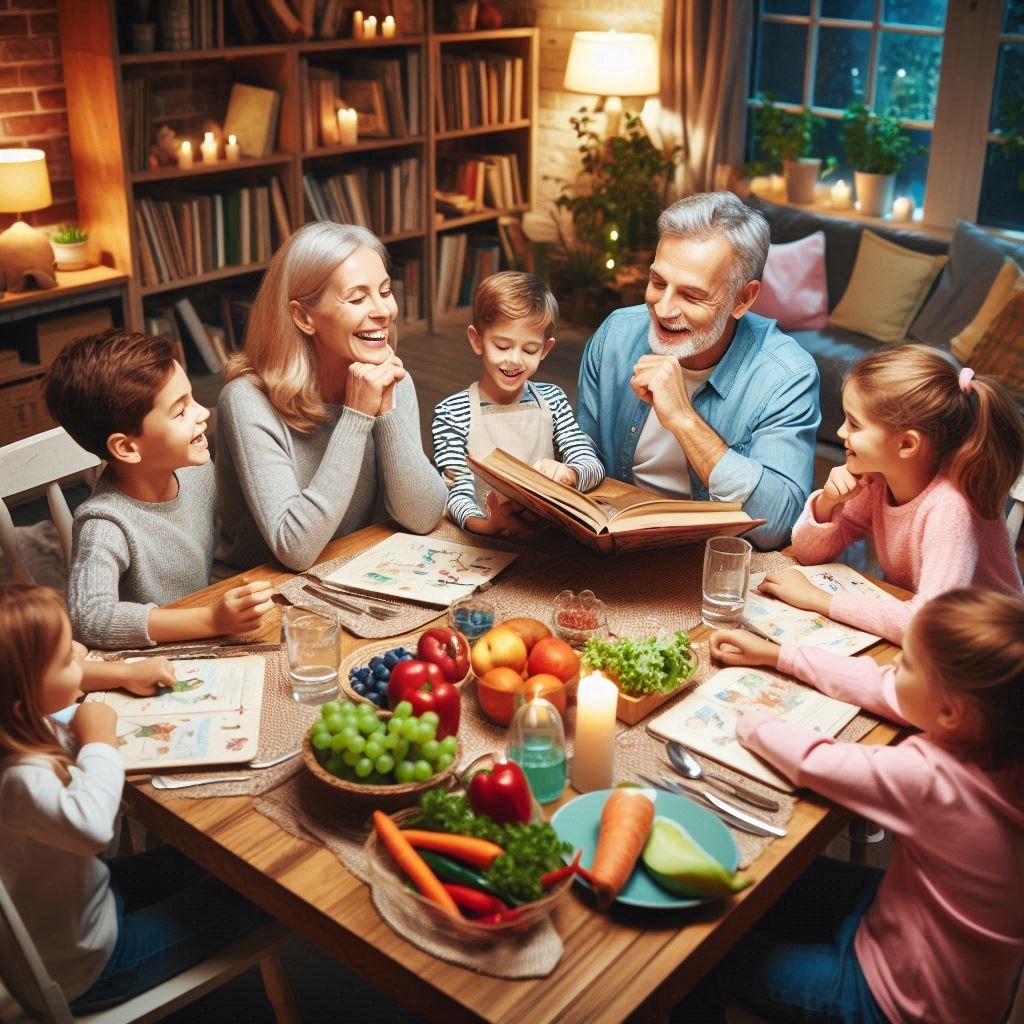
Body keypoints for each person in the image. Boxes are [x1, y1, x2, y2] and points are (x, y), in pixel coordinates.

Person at [676, 588, 1024, 1024]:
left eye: (909, 663)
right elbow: (883, 688)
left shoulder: (929, 779)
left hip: (896, 999)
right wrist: (777, 655)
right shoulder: (996, 736)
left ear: (950, 713)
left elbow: (814, 761)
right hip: (932, 951)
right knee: (770, 885)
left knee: (704, 957)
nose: (893, 665)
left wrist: (753, 719)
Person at [0, 583, 274, 1010]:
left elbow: (55, 678)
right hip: (91, 965)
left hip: (80, 903)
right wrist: (99, 739)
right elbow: (91, 826)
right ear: (24, 703)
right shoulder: (17, 780)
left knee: (209, 857)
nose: (80, 650)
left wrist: (124, 673)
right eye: (64, 656)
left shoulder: (16, 726)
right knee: (260, 896)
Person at [576, 191, 820, 551]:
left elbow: (779, 526)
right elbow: (581, 456)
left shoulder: (787, 376)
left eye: (691, 296)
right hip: (612, 549)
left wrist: (684, 420)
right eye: (658, 283)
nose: (663, 308)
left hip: (707, 561)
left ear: (743, 299)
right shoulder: (615, 334)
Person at [216, 222, 446, 570]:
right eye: (356, 298)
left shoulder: (392, 379)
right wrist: (356, 418)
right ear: (303, 316)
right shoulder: (247, 401)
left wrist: (386, 411)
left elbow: (424, 516)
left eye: (385, 291)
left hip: (355, 568)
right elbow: (295, 549)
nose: (383, 311)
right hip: (259, 593)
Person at [759, 344, 1024, 643]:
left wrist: (820, 599)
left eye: (855, 424)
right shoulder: (879, 480)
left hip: (989, 652)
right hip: (925, 627)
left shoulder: (951, 508)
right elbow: (808, 553)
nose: (841, 433)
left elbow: (927, 625)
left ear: (907, 445)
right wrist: (828, 503)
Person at [44, 330, 274, 650]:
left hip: (205, 628)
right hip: (148, 659)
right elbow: (90, 619)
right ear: (126, 447)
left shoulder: (195, 472)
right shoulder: (105, 524)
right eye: (180, 411)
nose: (203, 413)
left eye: (191, 399)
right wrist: (210, 620)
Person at [432, 270, 605, 536]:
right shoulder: (452, 414)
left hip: (544, 536)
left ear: (545, 350)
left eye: (529, 350)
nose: (514, 360)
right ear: (477, 340)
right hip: (482, 537)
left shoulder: (553, 400)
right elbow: (455, 494)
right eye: (502, 346)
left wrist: (569, 473)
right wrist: (489, 525)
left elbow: (591, 464)